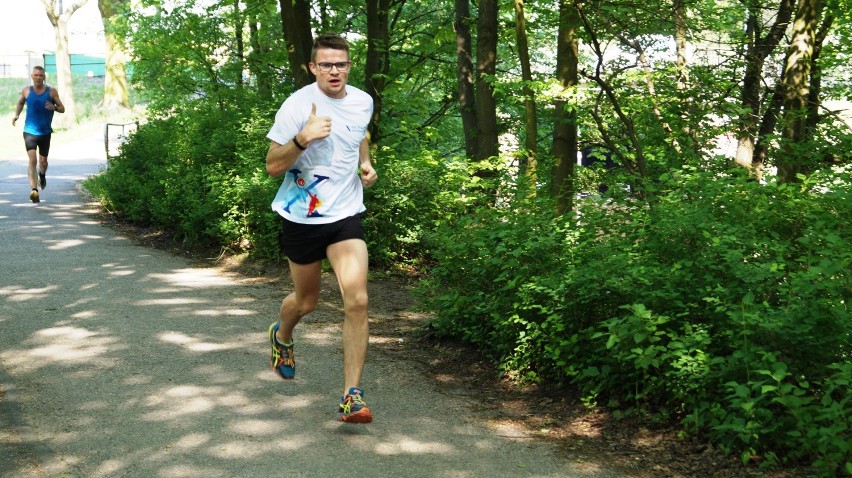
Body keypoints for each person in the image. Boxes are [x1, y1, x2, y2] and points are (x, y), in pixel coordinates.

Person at [265, 34, 378, 424]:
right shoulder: (297, 106)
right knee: (307, 302)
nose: (335, 71)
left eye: (341, 64)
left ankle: (352, 396)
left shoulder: (363, 100)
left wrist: (365, 163)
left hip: (345, 215)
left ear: (349, 66)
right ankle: (282, 334)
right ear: (313, 68)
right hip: (302, 217)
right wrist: (303, 138)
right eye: (326, 64)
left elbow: (360, 131)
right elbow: (273, 166)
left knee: (358, 300)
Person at [12, 66, 65, 203]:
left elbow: (62, 108)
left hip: (45, 132)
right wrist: (16, 115)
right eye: (36, 75)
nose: (38, 77)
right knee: (32, 160)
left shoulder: (51, 91)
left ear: (44, 77)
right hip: (29, 131)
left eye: (41, 75)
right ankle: (34, 190)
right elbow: (20, 103)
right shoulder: (26, 90)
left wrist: (54, 107)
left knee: (43, 161)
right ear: (32, 76)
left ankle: (42, 174)